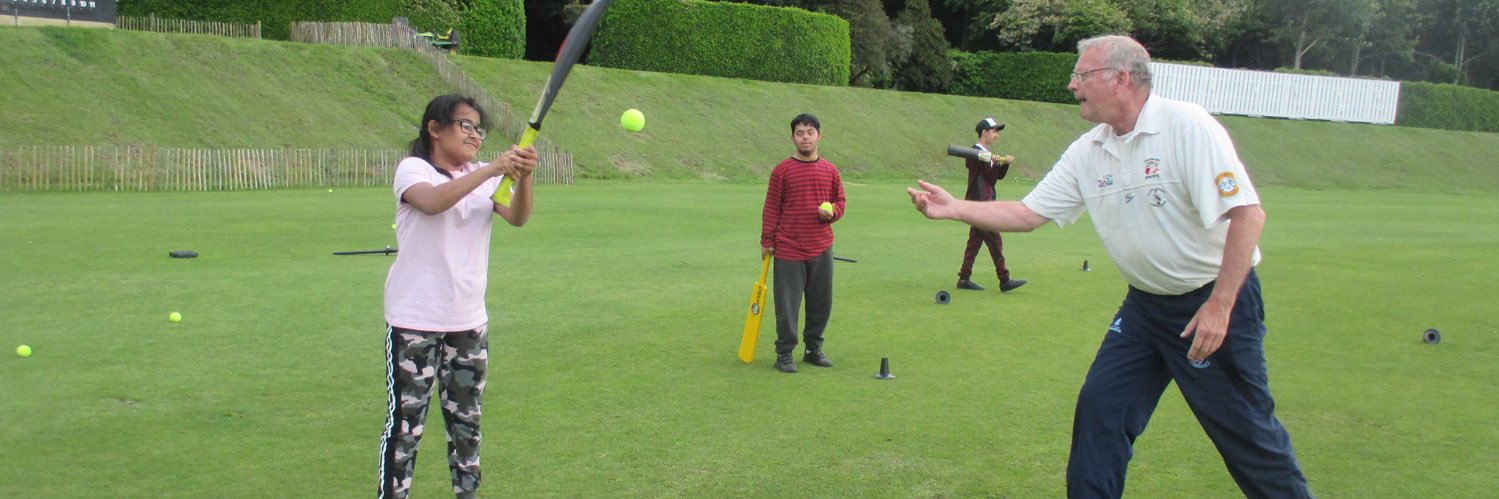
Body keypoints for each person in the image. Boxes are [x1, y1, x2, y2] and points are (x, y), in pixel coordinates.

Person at [907, 35, 1312, 498]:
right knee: (1101, 410)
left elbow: (1248, 215)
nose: (1072, 84)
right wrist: (955, 208)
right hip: (1145, 309)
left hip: (1212, 302)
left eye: (1081, 74)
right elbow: (1028, 213)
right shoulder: (1089, 150)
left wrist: (1221, 305)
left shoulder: (1187, 126)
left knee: (1246, 435)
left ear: (1120, 78)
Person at [377, 94, 538, 499]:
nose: (475, 135)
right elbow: (432, 203)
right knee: (405, 428)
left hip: (468, 322)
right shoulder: (414, 170)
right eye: (466, 125)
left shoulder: (483, 177)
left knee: (467, 425)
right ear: (435, 128)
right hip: (415, 321)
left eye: (479, 129)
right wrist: (493, 169)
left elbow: (517, 217)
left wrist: (522, 176)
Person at [761, 113, 846, 374]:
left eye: (810, 132)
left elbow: (840, 202)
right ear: (792, 138)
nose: (805, 138)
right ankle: (784, 353)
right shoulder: (782, 171)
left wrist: (832, 213)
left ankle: (813, 349)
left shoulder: (830, 170)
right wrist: (767, 240)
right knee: (787, 305)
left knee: (821, 302)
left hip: (821, 245)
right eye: (800, 133)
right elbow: (771, 207)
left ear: (819, 136)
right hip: (788, 248)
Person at [955, 117, 1027, 293]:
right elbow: (988, 174)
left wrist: (1002, 164)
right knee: (995, 240)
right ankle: (1004, 279)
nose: (997, 135)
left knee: (975, 241)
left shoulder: (985, 154)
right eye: (994, 131)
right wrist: (994, 162)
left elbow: (996, 177)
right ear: (984, 132)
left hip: (982, 203)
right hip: (981, 204)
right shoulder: (975, 153)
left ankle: (964, 278)